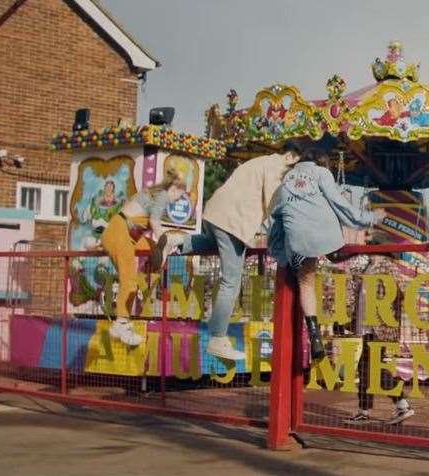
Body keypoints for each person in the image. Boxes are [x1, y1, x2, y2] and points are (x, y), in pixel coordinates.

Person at [151, 146, 299, 360]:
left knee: (209, 242)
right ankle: (217, 338)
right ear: (292, 155)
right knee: (231, 281)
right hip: (233, 222)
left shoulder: (260, 160)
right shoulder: (277, 167)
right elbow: (276, 204)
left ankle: (176, 240)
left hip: (214, 213)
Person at [269, 147, 386, 360]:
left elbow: (276, 215)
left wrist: (279, 252)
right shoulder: (322, 173)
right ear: (322, 161)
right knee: (330, 238)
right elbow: (339, 204)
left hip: (297, 240)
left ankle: (314, 336)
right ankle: (336, 253)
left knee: (305, 284)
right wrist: (369, 218)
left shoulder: (285, 180)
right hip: (325, 235)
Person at [101, 170, 187, 346]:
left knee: (154, 250)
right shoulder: (162, 194)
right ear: (174, 189)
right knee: (129, 280)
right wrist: (166, 239)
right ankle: (122, 323)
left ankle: (151, 266)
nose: (176, 202)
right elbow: (155, 223)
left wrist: (159, 251)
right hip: (120, 232)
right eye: (178, 197)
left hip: (128, 235)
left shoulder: (153, 193)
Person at [343, 256, 414, 426]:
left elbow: (402, 291)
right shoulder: (368, 266)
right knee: (367, 368)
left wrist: (389, 315)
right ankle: (368, 410)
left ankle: (399, 404)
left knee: (371, 367)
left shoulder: (387, 266)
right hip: (368, 326)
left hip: (379, 326)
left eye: (370, 242)